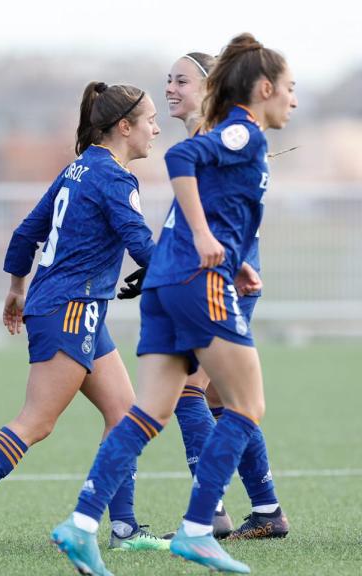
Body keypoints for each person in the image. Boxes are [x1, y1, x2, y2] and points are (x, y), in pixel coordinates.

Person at [52, 33, 297, 575]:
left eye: (179, 79)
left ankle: (83, 523)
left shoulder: (232, 133)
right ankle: (201, 527)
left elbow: (202, 204)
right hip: (199, 283)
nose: (294, 100)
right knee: (243, 405)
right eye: (289, 88)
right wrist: (212, 247)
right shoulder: (239, 130)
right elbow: (184, 160)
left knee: (149, 411)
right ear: (261, 88)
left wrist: (225, 255)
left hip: (175, 282)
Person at [0, 81, 165, 555]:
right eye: (150, 120)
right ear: (124, 127)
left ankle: (123, 528)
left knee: (124, 415)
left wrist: (17, 289)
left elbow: (25, 233)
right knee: (36, 421)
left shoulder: (78, 169)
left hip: (71, 307)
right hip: (70, 309)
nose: (157, 128)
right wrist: (177, 268)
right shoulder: (115, 177)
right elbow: (140, 244)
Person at [160, 51, 288, 540]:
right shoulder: (211, 139)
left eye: (181, 81)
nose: (170, 89)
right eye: (167, 81)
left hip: (223, 282)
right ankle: (268, 509)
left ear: (210, 86)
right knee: (224, 396)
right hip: (224, 278)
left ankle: (210, 512)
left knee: (189, 392)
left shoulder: (211, 142)